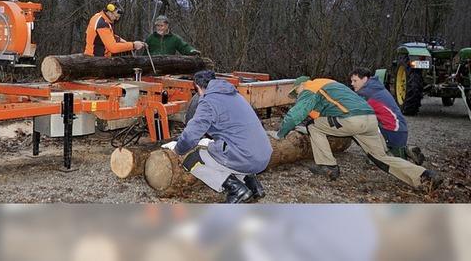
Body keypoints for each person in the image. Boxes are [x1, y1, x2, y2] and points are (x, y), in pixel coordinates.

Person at [271, 76, 442, 192]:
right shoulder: (331, 84)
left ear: (301, 84)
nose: (297, 95)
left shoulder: (309, 88)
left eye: (296, 92)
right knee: (380, 157)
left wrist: (280, 134)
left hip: (351, 120)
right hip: (369, 120)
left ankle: (328, 167)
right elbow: (331, 111)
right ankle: (424, 176)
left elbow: (295, 115)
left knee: (313, 126)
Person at [162, 70, 272, 203]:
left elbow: (191, 136)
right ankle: (253, 186)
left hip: (246, 158)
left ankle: (236, 190)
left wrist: (178, 149)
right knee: (233, 147)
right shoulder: (235, 94)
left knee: (192, 160)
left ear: (197, 86)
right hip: (264, 154)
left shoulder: (208, 101)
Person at [349, 67, 425, 165]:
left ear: (364, 79)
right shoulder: (375, 87)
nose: (352, 84)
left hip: (393, 132)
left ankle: (378, 155)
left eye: (355, 81)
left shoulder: (366, 93)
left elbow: (351, 110)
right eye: (351, 81)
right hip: (399, 131)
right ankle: (404, 151)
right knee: (369, 120)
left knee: (356, 125)